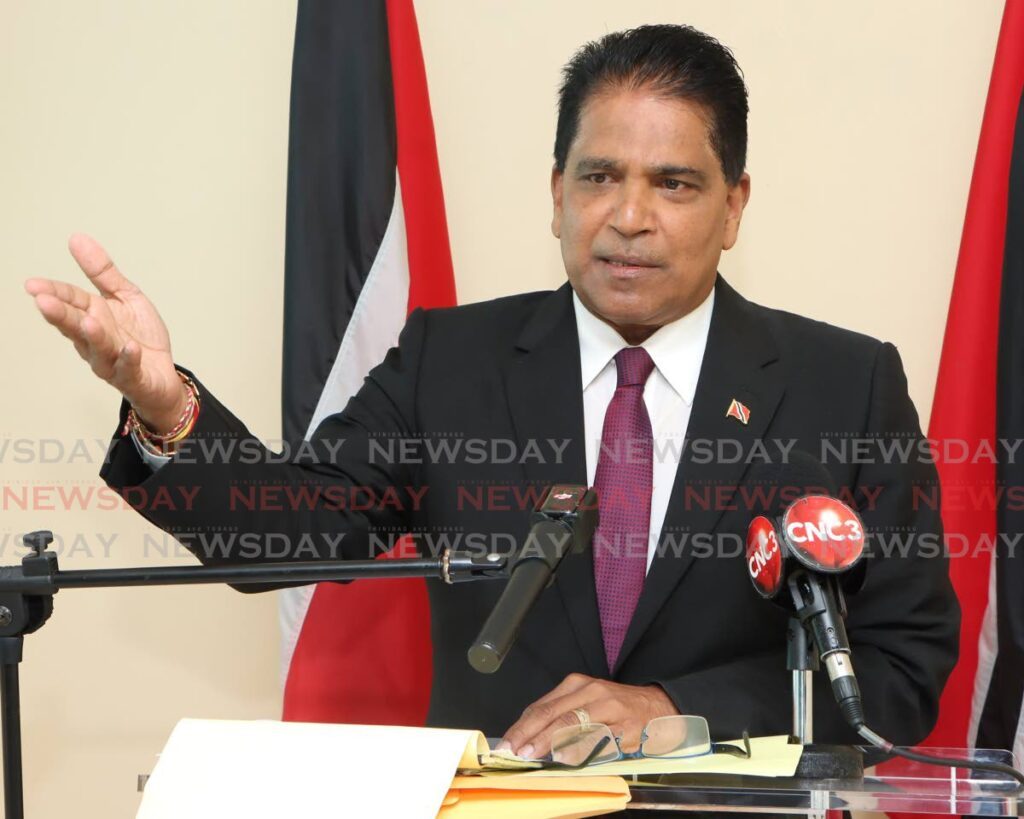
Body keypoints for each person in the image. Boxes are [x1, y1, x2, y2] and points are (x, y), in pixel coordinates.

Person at [24, 24, 958, 761]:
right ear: (556, 193)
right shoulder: (452, 359)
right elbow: (289, 533)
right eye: (600, 177)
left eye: (673, 183)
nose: (629, 217)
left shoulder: (845, 384)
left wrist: (678, 709)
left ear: (734, 205)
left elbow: (900, 667)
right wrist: (165, 407)